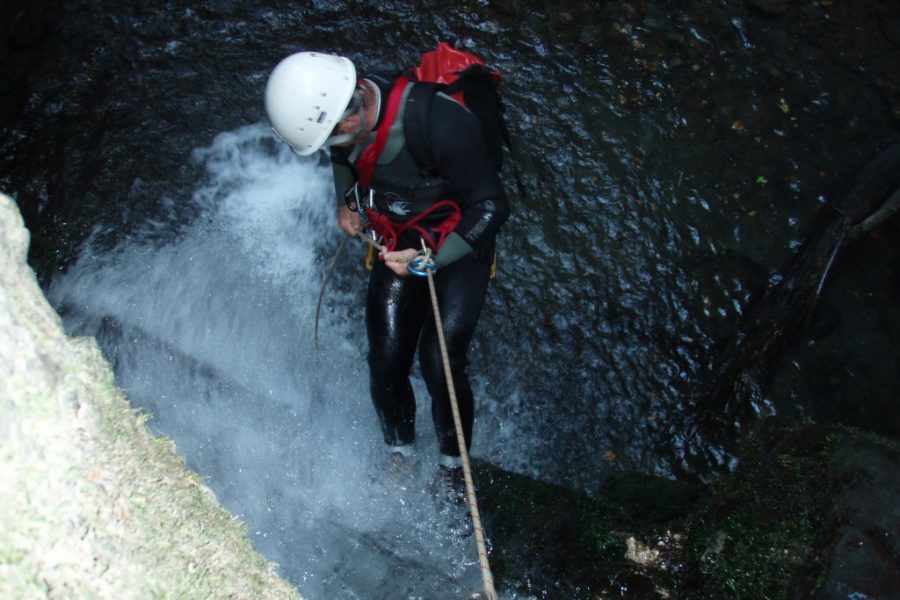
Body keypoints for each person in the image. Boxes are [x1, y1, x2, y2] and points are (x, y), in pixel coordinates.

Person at [265, 50, 509, 496]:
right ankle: (400, 454)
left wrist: (434, 257)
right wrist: (348, 202)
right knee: (385, 357)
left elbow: (491, 205)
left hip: (458, 239)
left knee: (440, 362)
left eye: (336, 132)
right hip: (397, 233)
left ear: (357, 99)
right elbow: (342, 157)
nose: (334, 144)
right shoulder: (339, 124)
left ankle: (453, 468)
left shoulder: (438, 122)